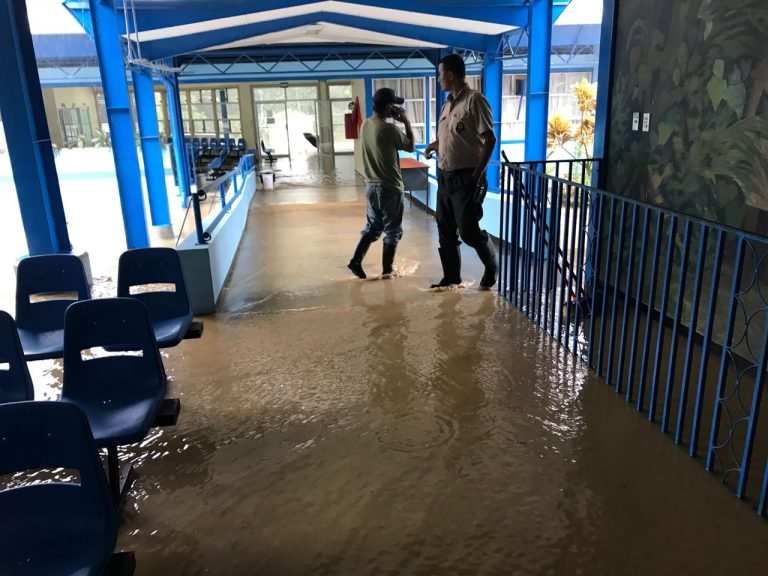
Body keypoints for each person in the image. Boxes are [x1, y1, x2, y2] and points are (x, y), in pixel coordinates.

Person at [424, 53, 498, 290]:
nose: (438, 79)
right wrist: (434, 146)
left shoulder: (475, 101)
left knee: (468, 231)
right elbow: (451, 137)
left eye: (440, 74)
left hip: (466, 177)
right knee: (444, 228)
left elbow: (489, 140)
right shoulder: (447, 104)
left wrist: (476, 176)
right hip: (445, 176)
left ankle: (492, 265)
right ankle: (451, 278)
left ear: (451, 75)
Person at [347, 87, 415, 279]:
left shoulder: (366, 125)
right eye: (393, 105)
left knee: (373, 228)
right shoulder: (390, 129)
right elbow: (410, 146)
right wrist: (406, 122)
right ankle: (387, 271)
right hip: (390, 188)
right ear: (388, 108)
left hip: (371, 186)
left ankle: (355, 261)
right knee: (393, 231)